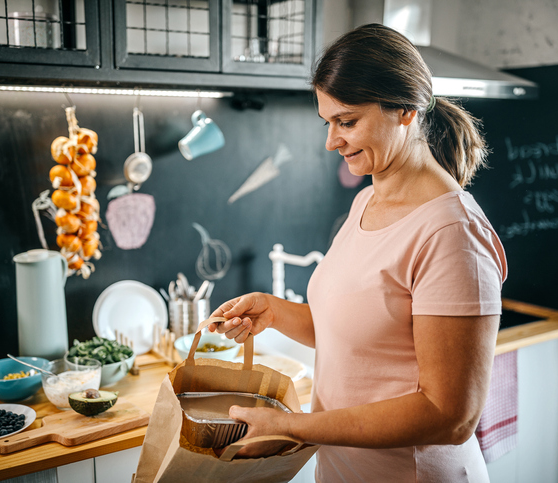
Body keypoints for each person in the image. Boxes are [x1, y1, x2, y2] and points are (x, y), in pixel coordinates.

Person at [209, 23, 507, 482]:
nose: (331, 141)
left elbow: (451, 415)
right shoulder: (367, 200)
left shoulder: (451, 234)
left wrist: (293, 427)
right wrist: (272, 310)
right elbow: (359, 338)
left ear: (405, 111)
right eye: (328, 122)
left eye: (347, 122)